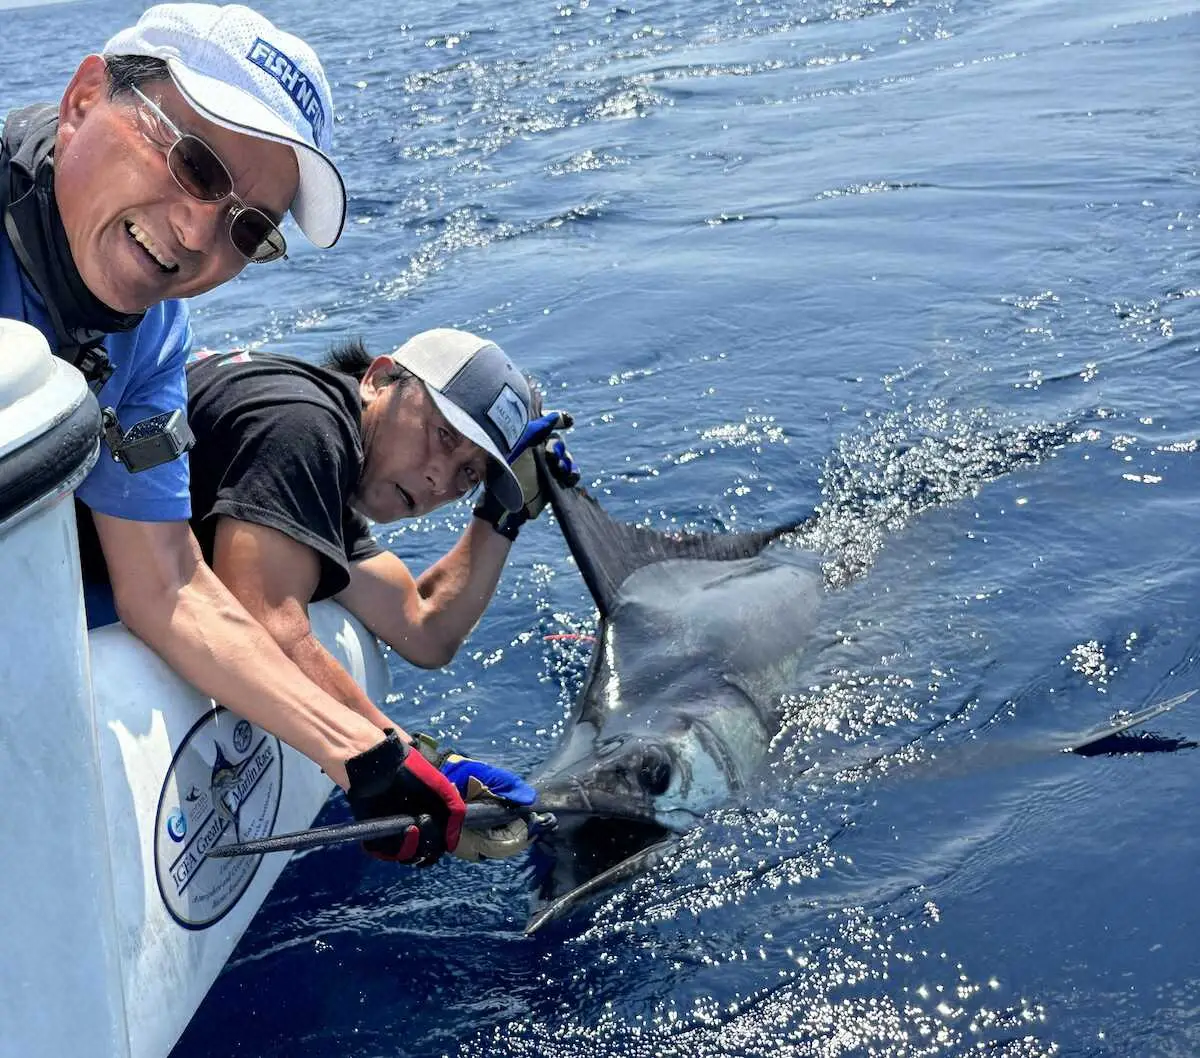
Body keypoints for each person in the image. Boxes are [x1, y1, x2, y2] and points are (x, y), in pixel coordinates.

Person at [0, 3, 525, 865]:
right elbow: (262, 613)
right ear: (85, 96)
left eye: (250, 227)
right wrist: (398, 752)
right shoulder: (302, 429)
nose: (200, 231)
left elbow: (167, 585)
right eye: (195, 161)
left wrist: (376, 759)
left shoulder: (152, 334)